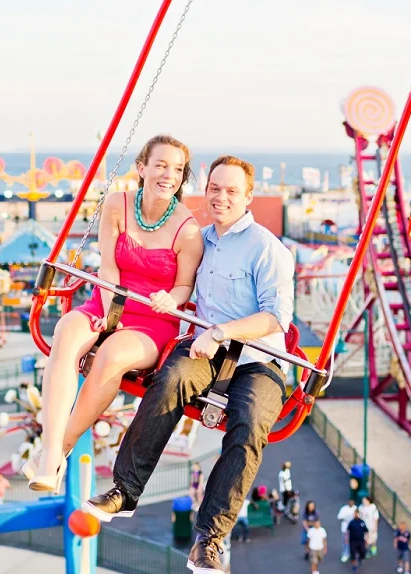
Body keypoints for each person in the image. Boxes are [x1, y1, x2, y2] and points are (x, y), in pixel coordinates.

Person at [84, 155, 295, 574]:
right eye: (214, 188)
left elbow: (276, 317)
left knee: (251, 423)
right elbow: (168, 275)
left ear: (248, 197)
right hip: (206, 351)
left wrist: (221, 331)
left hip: (257, 357)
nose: (221, 197)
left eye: (231, 191)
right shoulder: (200, 239)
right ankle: (126, 490)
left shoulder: (267, 248)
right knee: (170, 380)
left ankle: (209, 539)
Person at [24, 134, 203, 493]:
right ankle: (51, 450)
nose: (169, 175)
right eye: (161, 165)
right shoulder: (117, 204)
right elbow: (108, 267)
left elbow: (184, 288)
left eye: (177, 169)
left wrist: (170, 298)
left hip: (153, 319)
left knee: (111, 355)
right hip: (108, 299)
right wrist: (108, 314)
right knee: (67, 330)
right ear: (141, 168)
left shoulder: (188, 230)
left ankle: (55, 453)